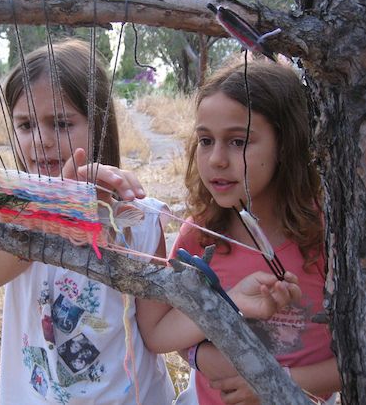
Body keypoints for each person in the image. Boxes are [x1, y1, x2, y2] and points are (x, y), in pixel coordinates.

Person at [0, 40, 301, 404]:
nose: (41, 140)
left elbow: (154, 332)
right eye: (25, 125)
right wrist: (56, 206)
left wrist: (231, 301)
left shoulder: (136, 218)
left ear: (99, 125)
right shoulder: (5, 206)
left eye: (60, 123)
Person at [138, 57, 341, 404]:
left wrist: (276, 382)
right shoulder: (200, 237)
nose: (216, 158)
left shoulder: (331, 239)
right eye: (205, 141)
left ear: (286, 145)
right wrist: (220, 316)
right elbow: (158, 333)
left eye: (238, 141)